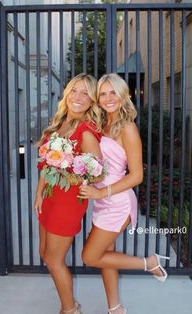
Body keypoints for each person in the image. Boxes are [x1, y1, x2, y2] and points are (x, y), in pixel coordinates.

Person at [79, 73, 170, 314]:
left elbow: (136, 176)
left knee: (90, 256)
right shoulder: (102, 123)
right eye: (103, 93)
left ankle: (149, 263)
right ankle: (115, 308)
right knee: (105, 255)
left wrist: (102, 193)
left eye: (113, 93)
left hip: (117, 202)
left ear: (123, 95)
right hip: (101, 200)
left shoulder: (127, 128)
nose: (108, 98)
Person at [34, 73, 102, 314]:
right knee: (45, 254)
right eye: (75, 90)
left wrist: (69, 166)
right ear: (67, 93)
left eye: (86, 93)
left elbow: (97, 172)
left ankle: (70, 309)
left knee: (54, 260)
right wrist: (39, 192)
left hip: (66, 203)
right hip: (50, 198)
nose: (78, 97)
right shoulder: (59, 121)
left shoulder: (86, 131)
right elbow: (45, 162)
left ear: (93, 101)